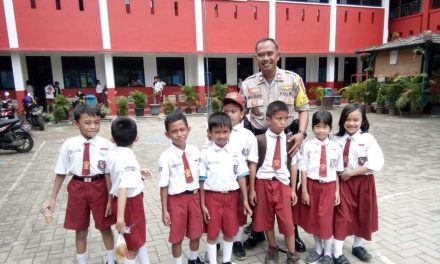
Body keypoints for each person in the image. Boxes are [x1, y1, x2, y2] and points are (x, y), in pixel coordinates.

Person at [240, 37, 309, 251]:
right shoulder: (248, 83)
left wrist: (301, 134)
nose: (266, 58)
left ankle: (293, 232)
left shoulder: (293, 79)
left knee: (288, 187)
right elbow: (241, 114)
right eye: (261, 55)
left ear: (278, 54)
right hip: (259, 142)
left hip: (287, 141)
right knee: (259, 187)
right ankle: (258, 231)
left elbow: (303, 108)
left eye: (270, 53)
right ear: (256, 57)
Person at [40, 104, 115, 264]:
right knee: (80, 230)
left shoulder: (106, 145)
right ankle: (82, 261)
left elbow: (109, 173)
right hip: (77, 187)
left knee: (105, 227)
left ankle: (111, 259)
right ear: (76, 124)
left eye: (97, 122)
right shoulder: (69, 145)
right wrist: (52, 198)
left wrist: (110, 198)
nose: (93, 126)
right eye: (87, 122)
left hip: (100, 186)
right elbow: (60, 171)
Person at [248, 101, 300, 264]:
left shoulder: (291, 140)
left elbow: (293, 166)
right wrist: (252, 189)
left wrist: (292, 189)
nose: (283, 122)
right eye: (279, 119)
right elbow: (253, 164)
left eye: (286, 118)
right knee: (266, 219)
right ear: (269, 120)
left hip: (283, 185)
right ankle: (272, 247)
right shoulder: (259, 140)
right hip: (263, 183)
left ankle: (292, 253)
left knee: (287, 221)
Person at [333, 104, 384, 264]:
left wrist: (351, 173)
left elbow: (376, 163)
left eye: (356, 120)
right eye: (347, 119)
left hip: (363, 182)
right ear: (342, 121)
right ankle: (337, 252)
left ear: (363, 121)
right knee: (343, 215)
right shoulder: (337, 139)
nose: (351, 123)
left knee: (363, 213)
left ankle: (358, 245)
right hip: (343, 183)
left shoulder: (368, 139)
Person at [200, 112, 252, 264]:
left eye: (225, 131)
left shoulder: (236, 152)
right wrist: (202, 204)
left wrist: (244, 200)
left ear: (230, 131)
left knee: (230, 232)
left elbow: (241, 177)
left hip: (231, 198)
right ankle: (212, 261)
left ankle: (227, 261)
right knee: (212, 233)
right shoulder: (206, 154)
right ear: (210, 133)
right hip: (212, 198)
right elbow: (201, 181)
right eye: (217, 132)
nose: (221, 136)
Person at [295, 110, 343, 264]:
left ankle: (328, 253)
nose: (321, 130)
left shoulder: (336, 147)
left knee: (326, 221)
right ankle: (318, 249)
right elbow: (303, 168)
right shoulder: (308, 146)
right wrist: (304, 191)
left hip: (328, 188)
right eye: (317, 126)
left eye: (325, 127)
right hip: (312, 186)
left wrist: (337, 191)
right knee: (314, 219)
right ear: (312, 128)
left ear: (330, 128)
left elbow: (336, 171)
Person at [158, 111, 204, 264]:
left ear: (188, 129)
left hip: (194, 197)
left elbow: (201, 179)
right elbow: (163, 185)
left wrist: (202, 203)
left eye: (182, 130)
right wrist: (164, 210)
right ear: (167, 134)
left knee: (196, 233)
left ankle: (193, 259)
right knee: (176, 236)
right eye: (174, 131)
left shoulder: (195, 151)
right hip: (176, 200)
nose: (179, 134)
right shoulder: (166, 157)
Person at [108, 117, 150, 264]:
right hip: (129, 206)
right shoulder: (128, 159)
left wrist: (139, 173)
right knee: (132, 247)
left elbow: (114, 176)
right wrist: (120, 219)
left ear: (113, 138)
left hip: (119, 202)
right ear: (136, 137)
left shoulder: (113, 153)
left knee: (137, 239)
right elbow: (123, 188)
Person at [221, 92, 258, 260]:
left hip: (242, 182)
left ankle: (236, 241)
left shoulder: (248, 136)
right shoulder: (216, 132)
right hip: (221, 182)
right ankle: (221, 243)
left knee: (240, 212)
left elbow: (252, 162)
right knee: (221, 212)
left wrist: (251, 187)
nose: (229, 114)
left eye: (233, 111)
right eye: (226, 110)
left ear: (242, 114)